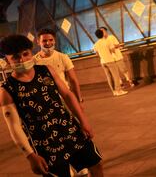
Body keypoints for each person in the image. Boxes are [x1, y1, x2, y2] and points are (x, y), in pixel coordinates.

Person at [0, 34, 103, 177]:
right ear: (7, 60)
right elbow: (14, 126)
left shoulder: (47, 70)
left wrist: (83, 121)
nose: (22, 60)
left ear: (31, 52)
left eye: (26, 54)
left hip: (70, 129)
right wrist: (30, 155)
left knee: (95, 165)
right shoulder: (7, 90)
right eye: (16, 57)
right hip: (43, 143)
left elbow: (67, 95)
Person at [34, 28, 83, 105]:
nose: (48, 43)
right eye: (44, 41)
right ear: (38, 42)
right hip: (45, 102)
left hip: (65, 99)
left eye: (51, 40)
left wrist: (79, 100)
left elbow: (73, 80)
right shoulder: (33, 61)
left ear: (54, 41)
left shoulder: (63, 57)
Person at [93, 28, 127, 97]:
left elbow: (96, 54)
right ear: (102, 34)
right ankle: (119, 91)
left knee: (109, 77)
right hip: (110, 60)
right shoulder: (107, 41)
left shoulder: (96, 44)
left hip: (103, 62)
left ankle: (114, 91)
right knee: (116, 76)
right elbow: (112, 50)